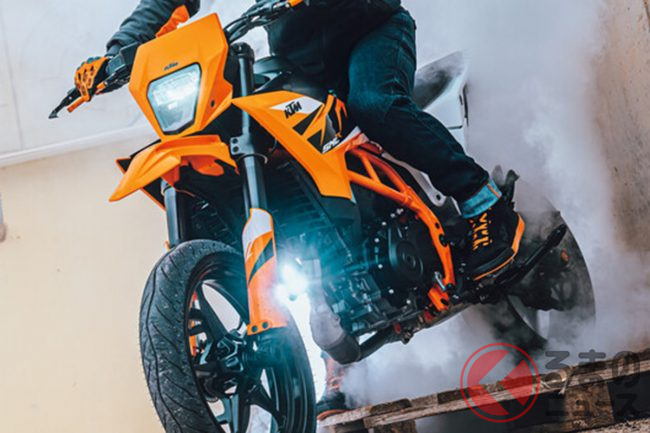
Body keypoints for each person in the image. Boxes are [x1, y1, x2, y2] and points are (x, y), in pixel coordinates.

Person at [73, 0, 525, 420]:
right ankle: (339, 352)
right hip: (298, 59)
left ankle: (482, 203)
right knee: (285, 182)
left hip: (370, 28)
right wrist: (119, 51)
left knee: (376, 104)